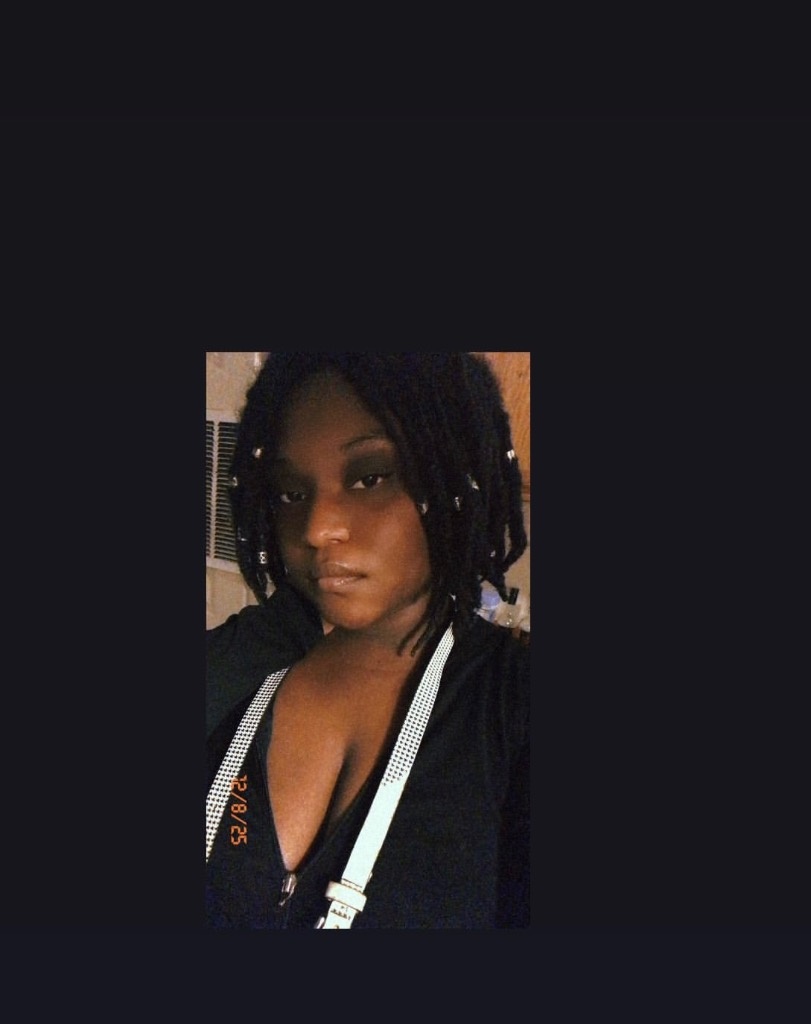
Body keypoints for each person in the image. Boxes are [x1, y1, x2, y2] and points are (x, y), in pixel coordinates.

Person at [206, 352, 530, 928]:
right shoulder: (238, 664)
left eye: (370, 478)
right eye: (291, 492)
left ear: (453, 476)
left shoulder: (512, 702)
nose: (317, 529)